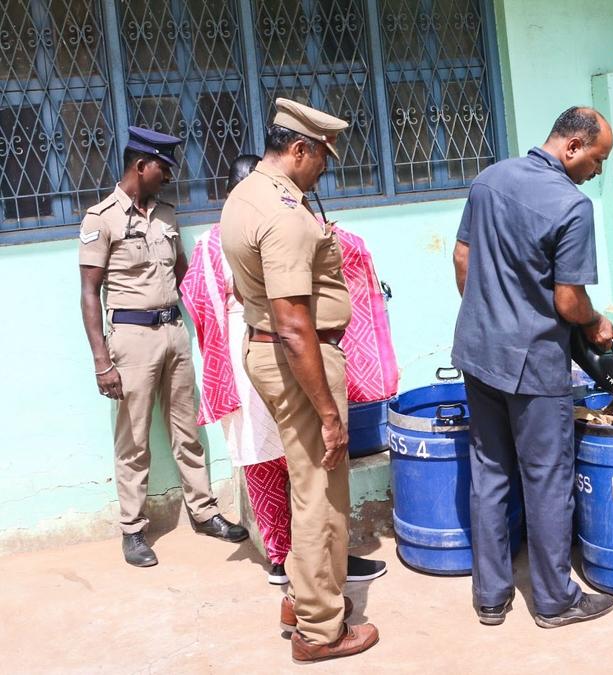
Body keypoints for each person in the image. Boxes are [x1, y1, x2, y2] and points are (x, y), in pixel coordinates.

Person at [180, 154, 391, 587]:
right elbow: (203, 304)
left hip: (266, 348)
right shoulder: (221, 240)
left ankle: (315, 560)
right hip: (266, 345)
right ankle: (288, 559)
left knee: (305, 460)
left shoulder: (276, 224)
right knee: (282, 458)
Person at [221, 99, 378, 663]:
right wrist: (331, 415)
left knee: (303, 480)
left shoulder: (243, 196)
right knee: (321, 493)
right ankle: (320, 630)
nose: (323, 172)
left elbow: (247, 292)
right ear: (299, 149)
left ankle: (299, 598)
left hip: (268, 352)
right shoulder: (285, 213)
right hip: (299, 355)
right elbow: (292, 322)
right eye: (321, 161)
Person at [451, 106, 613, 628]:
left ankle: (491, 597)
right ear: (572, 146)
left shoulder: (488, 179)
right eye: (597, 159)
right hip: (534, 362)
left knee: (489, 471)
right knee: (546, 478)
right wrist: (595, 323)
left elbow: (462, 259)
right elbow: (569, 301)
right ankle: (554, 599)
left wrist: (489, 313)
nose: (597, 171)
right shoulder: (572, 206)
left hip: (479, 353)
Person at [78, 126, 249, 568]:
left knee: (187, 430)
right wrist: (102, 361)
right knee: (133, 438)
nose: (168, 177)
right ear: (141, 166)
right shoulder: (101, 219)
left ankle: (204, 512)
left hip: (174, 332)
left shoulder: (167, 215)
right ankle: (133, 530)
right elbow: (89, 292)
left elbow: (184, 274)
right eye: (163, 169)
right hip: (131, 341)